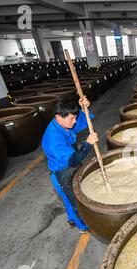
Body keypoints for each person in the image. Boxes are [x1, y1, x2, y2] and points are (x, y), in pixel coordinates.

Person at [42, 95, 98, 232]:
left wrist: (84, 109)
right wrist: (88, 144)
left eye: (75, 117)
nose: (74, 121)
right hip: (63, 174)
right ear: (59, 117)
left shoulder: (63, 123)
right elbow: (74, 160)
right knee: (75, 202)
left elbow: (81, 122)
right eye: (71, 118)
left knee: (68, 200)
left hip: (69, 167)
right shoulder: (53, 139)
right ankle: (83, 226)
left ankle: (72, 219)